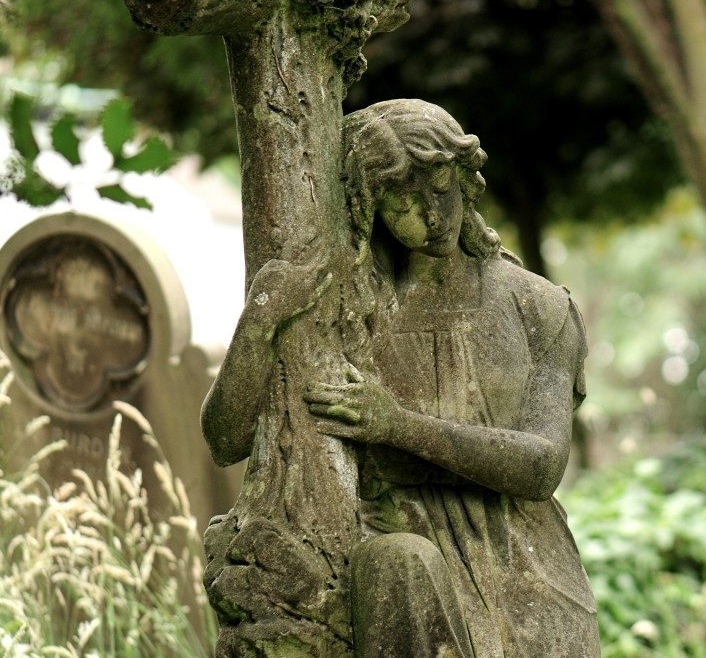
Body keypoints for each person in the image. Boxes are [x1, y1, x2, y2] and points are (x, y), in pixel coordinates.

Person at [203, 98, 599, 657]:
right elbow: (226, 441)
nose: (432, 216)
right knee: (400, 563)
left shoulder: (537, 306)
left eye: (439, 187)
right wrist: (260, 320)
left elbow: (541, 466)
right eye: (403, 202)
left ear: (464, 175)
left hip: (528, 573)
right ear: (370, 209)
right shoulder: (348, 306)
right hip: (402, 554)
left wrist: (397, 425)